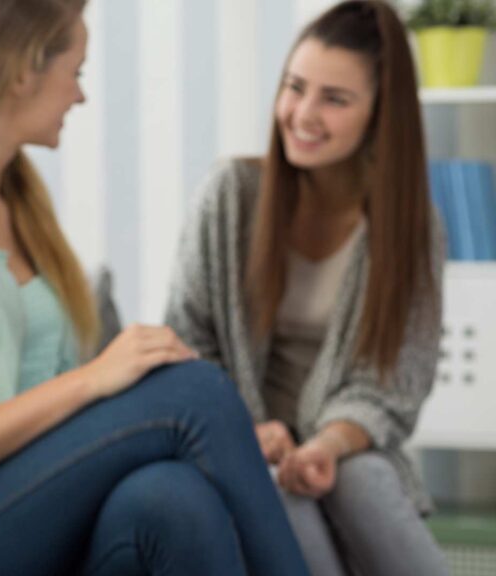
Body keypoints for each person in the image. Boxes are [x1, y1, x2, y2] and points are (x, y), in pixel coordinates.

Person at [0, 1, 309, 574]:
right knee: (192, 393)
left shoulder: (19, 202)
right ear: (24, 70)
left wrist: (234, 442)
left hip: (36, 504)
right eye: (76, 72)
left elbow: (61, 408)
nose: (80, 96)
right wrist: (91, 381)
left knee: (171, 498)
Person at [165, 2, 448, 575]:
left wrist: (327, 445)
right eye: (295, 88)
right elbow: (186, 345)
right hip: (239, 440)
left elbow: (395, 384)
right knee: (280, 488)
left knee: (361, 477)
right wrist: (247, 429)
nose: (302, 114)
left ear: (380, 115)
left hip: (342, 446)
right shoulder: (230, 197)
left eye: (335, 99)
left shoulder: (413, 229)